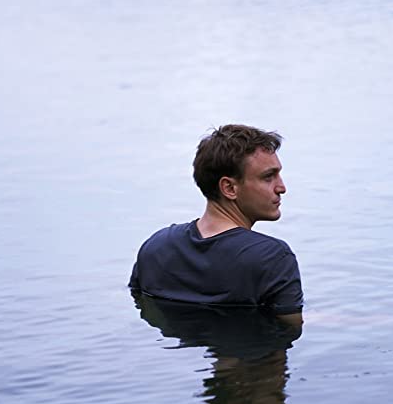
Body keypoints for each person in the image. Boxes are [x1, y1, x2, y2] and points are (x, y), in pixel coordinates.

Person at [129, 124, 304, 324]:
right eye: (268, 177)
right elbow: (289, 329)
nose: (281, 188)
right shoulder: (273, 257)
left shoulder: (156, 246)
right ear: (229, 188)